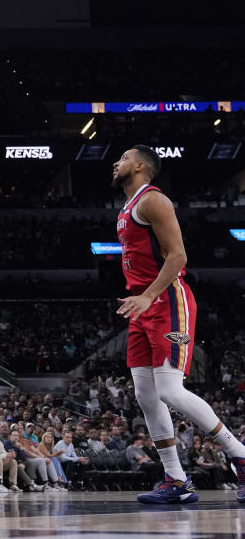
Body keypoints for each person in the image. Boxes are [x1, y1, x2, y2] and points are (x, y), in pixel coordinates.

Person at [112, 145, 245, 504]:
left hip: (168, 299)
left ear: (140, 166)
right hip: (142, 304)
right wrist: (140, 298)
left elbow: (179, 256)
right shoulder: (126, 205)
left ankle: (240, 454)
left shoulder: (153, 200)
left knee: (170, 391)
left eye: (123, 157)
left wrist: (147, 296)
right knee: (145, 396)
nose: (116, 162)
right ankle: (176, 479)